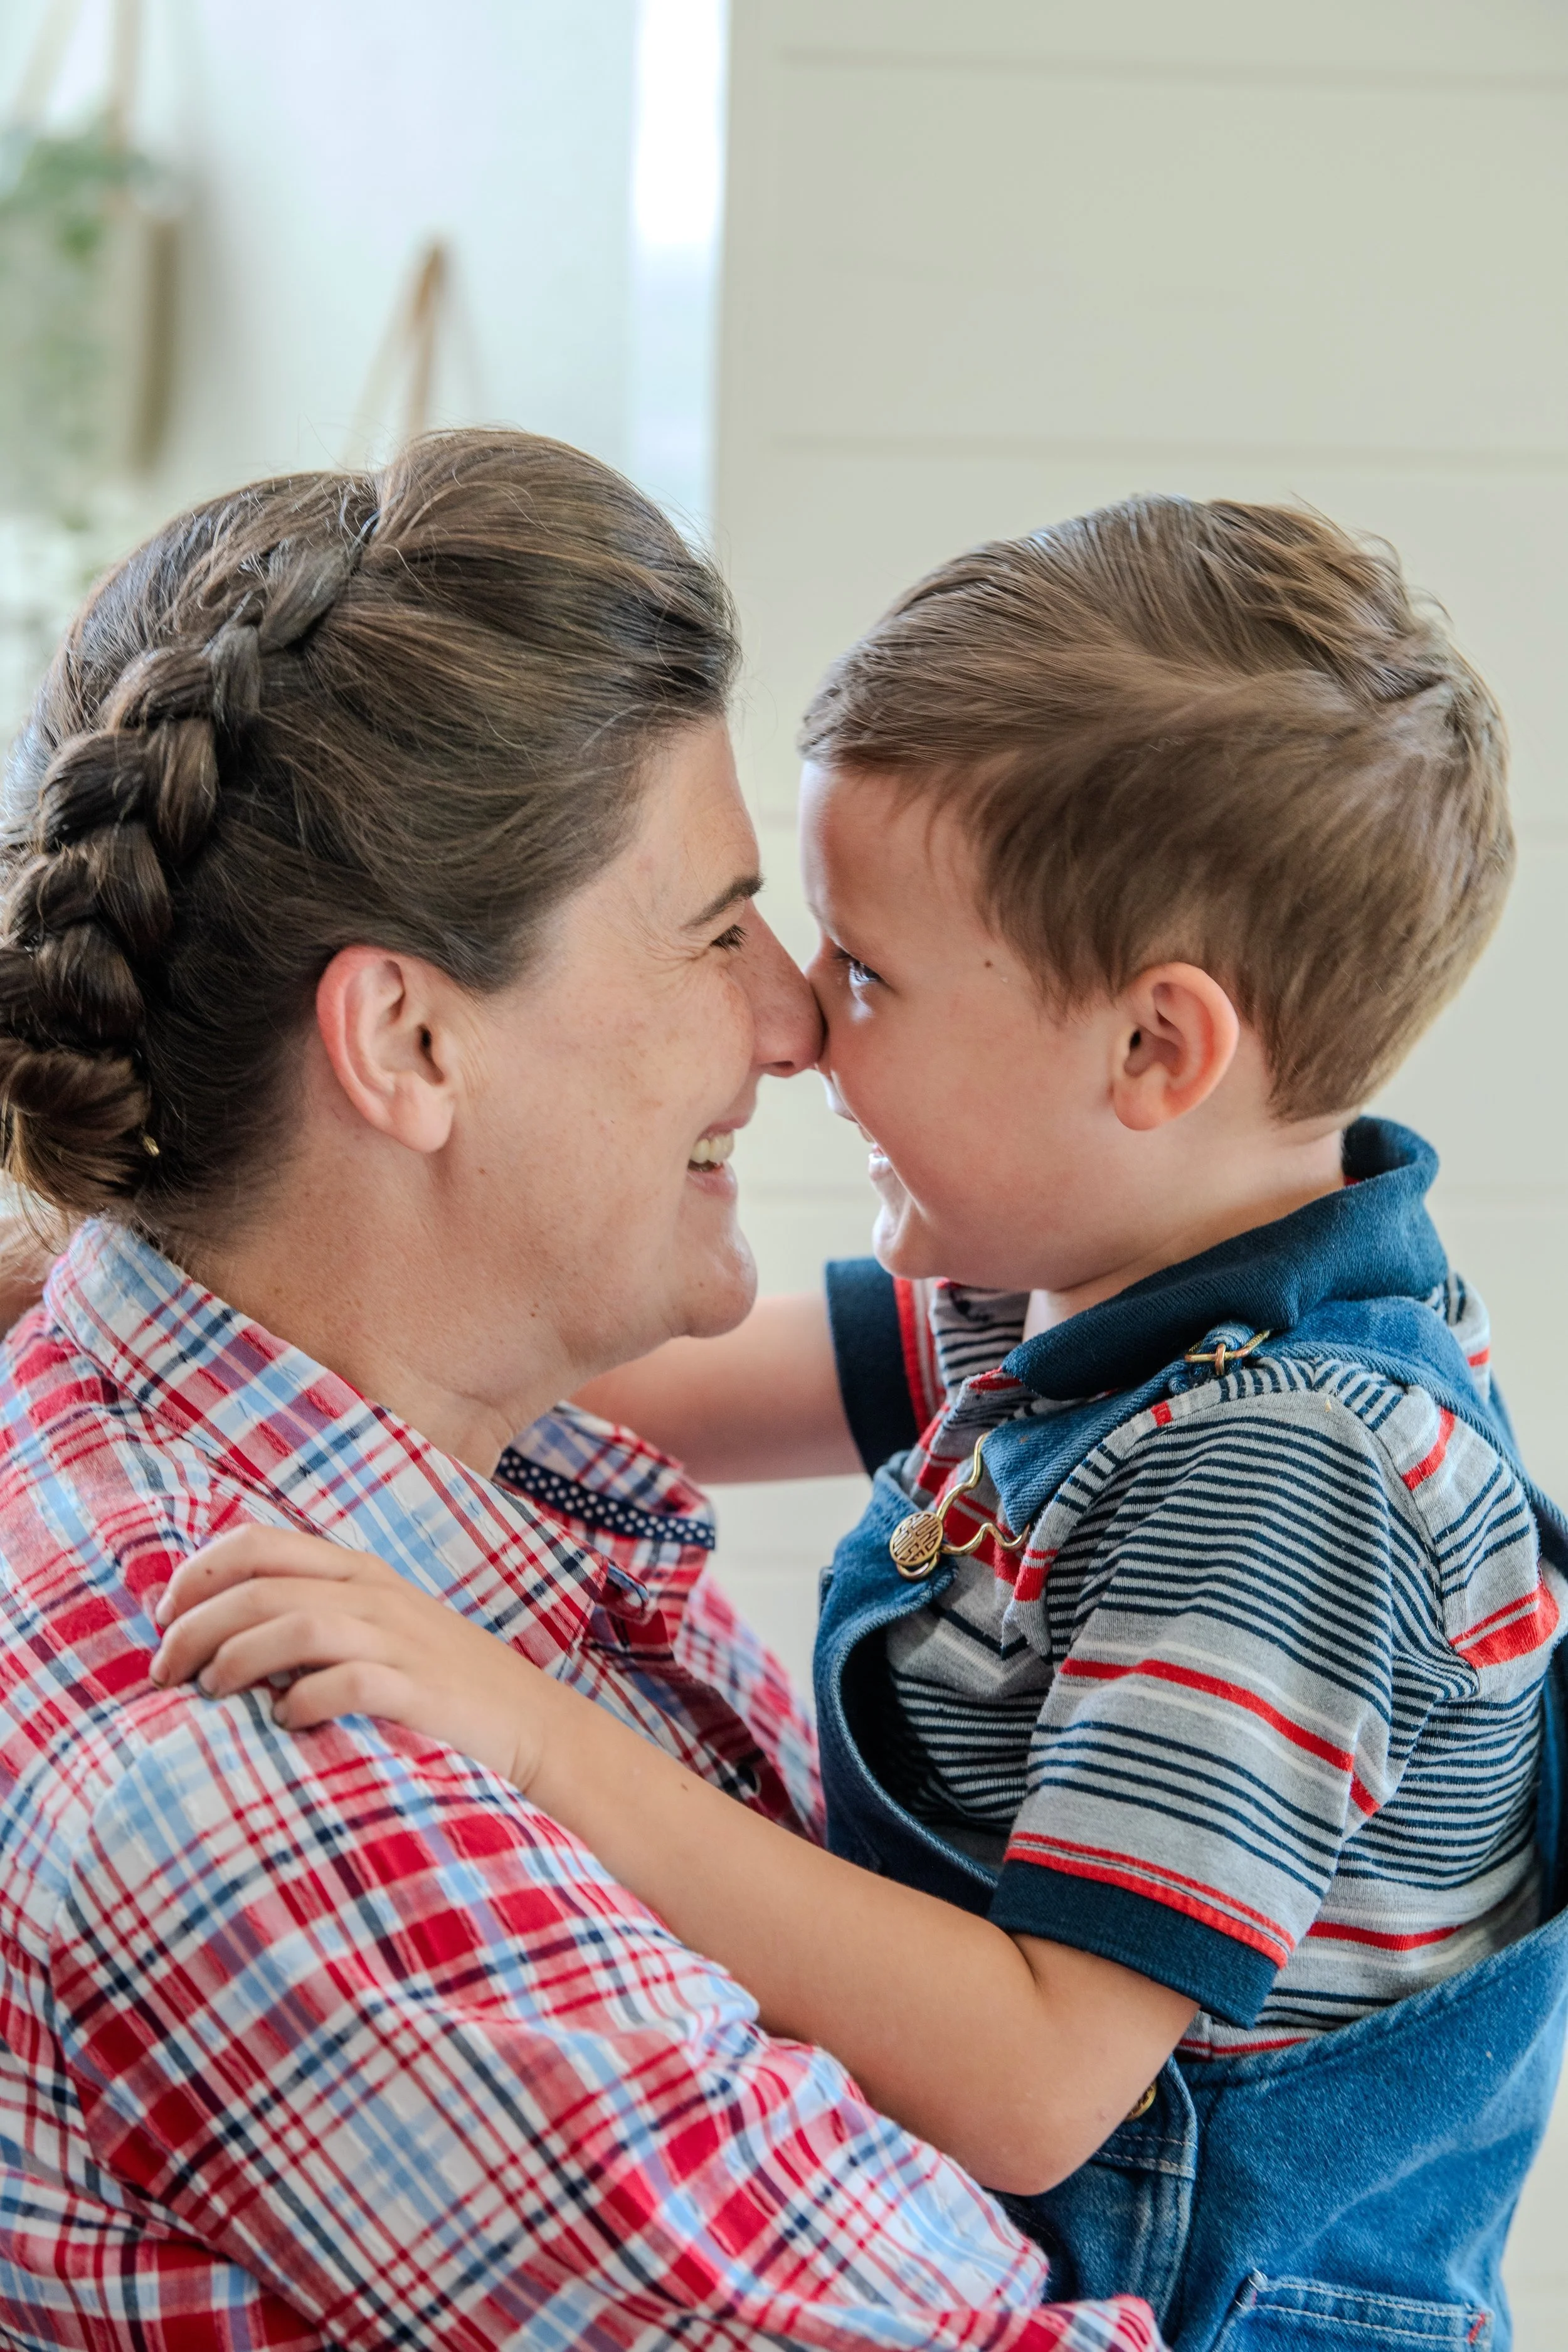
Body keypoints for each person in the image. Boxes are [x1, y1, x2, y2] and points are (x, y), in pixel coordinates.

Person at [157, 499, 1568, 2351]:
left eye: (869, 970)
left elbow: (1037, 2073)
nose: (806, 1028)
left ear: (1154, 1052)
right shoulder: (1072, 1296)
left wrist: (515, 1723)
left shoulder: (1283, 1469)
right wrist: (142, 1254)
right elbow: (547, 1345)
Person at [0, 430, 1164, 2352]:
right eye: (716, 930)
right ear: (408, 1039)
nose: (796, 1021)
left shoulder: (416, 1448)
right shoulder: (268, 1768)